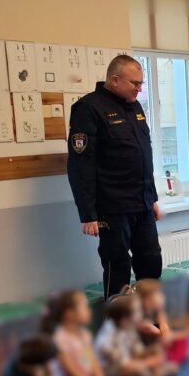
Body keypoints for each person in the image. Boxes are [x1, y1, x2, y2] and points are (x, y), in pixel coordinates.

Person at [67, 55, 163, 298]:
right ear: (115, 80)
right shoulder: (88, 108)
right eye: (135, 83)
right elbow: (81, 164)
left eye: (141, 83)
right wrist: (88, 213)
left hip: (142, 204)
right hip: (113, 207)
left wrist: (151, 198)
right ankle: (117, 320)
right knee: (118, 267)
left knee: (151, 262)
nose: (139, 89)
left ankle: (148, 316)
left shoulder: (135, 107)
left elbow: (144, 157)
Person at [45, 290, 152, 376]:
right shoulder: (60, 339)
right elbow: (73, 372)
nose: (89, 310)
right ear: (69, 314)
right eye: (84, 307)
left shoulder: (83, 335)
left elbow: (90, 362)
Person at [94, 293, 172, 376]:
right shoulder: (109, 339)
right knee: (140, 372)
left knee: (155, 350)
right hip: (110, 371)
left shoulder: (129, 326)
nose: (140, 313)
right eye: (137, 311)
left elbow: (138, 351)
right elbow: (124, 365)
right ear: (125, 319)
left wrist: (151, 355)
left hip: (127, 361)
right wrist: (151, 362)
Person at [133, 279, 189, 367]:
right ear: (147, 299)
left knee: (180, 338)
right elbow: (160, 333)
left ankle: (168, 358)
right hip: (144, 345)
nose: (161, 296)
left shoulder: (157, 311)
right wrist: (170, 335)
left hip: (157, 340)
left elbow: (165, 330)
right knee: (163, 346)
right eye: (158, 293)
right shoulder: (139, 316)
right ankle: (161, 361)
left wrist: (169, 333)